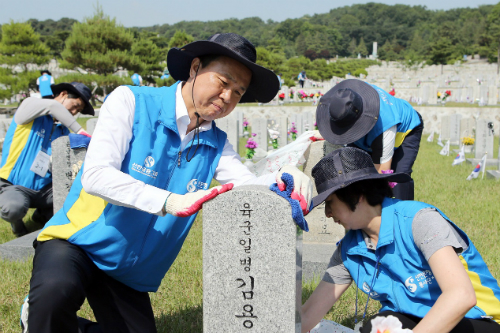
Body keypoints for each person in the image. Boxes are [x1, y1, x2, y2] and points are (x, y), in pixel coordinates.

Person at [21, 33, 313, 333]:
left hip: (126, 269)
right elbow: (96, 175)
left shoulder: (216, 142)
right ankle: (39, 313)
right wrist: (169, 201)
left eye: (238, 92)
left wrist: (284, 177)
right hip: (79, 242)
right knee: (53, 297)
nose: (228, 97)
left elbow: (246, 186)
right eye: (223, 83)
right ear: (195, 67)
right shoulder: (131, 101)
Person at [301, 147, 500, 333]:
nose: (327, 213)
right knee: (377, 326)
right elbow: (309, 313)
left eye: (330, 203)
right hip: (420, 320)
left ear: (356, 194)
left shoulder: (419, 221)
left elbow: (462, 296)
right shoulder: (349, 250)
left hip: (478, 319)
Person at [0, 82, 93, 237]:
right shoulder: (28, 109)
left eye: (79, 110)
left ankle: (41, 214)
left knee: (74, 206)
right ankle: (16, 225)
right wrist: (80, 130)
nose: (75, 112)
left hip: (45, 191)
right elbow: (52, 105)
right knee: (13, 208)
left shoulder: (63, 130)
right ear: (63, 94)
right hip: (14, 185)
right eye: (75, 105)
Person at [316, 79, 423, 200]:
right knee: (358, 172)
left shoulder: (385, 125)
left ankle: (402, 213)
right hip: (372, 130)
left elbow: (382, 172)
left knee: (398, 177)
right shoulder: (348, 99)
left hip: (406, 128)